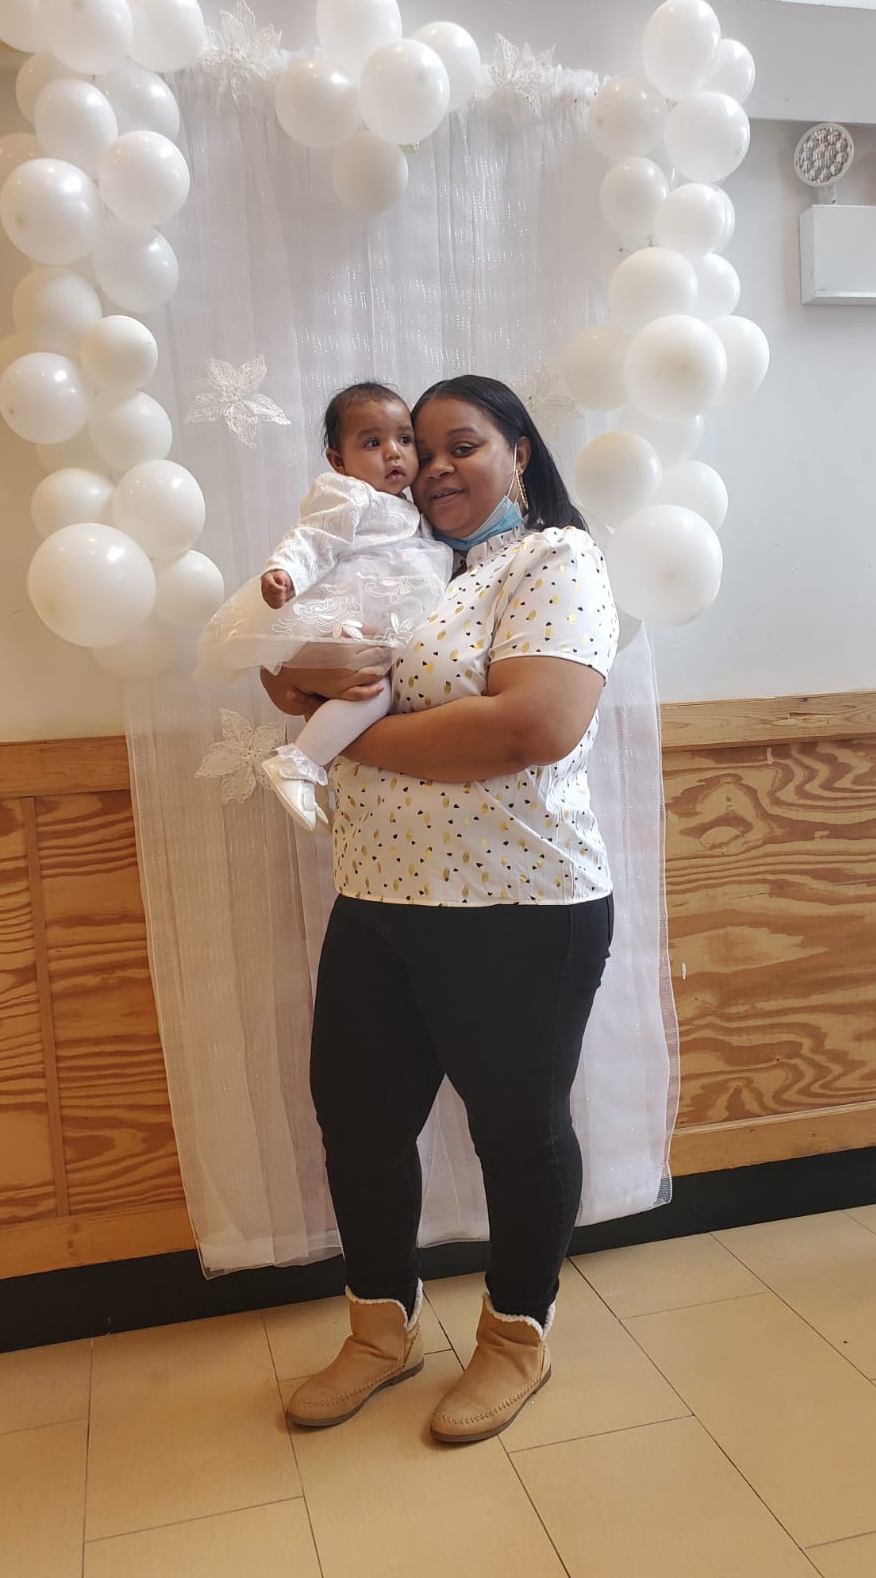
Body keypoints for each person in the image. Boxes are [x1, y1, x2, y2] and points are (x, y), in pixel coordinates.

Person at [261, 375, 620, 1445]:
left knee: (517, 1133)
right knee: (359, 1123)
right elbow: (296, 676)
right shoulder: (412, 564)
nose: (436, 467)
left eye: (464, 444)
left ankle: (516, 1336)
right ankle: (382, 1330)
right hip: (376, 896)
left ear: (517, 448)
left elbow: (532, 725)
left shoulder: (556, 559)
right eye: (420, 449)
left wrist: (340, 737)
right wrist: (304, 686)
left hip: (518, 904)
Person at [197, 383, 451, 830]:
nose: (393, 453)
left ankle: (304, 760)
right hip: (353, 611)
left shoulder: (414, 509)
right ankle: (300, 760)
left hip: (386, 617)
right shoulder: (348, 493)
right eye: (373, 442)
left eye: (404, 440)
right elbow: (314, 537)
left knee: (378, 690)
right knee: (375, 687)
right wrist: (286, 571)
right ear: (339, 461)